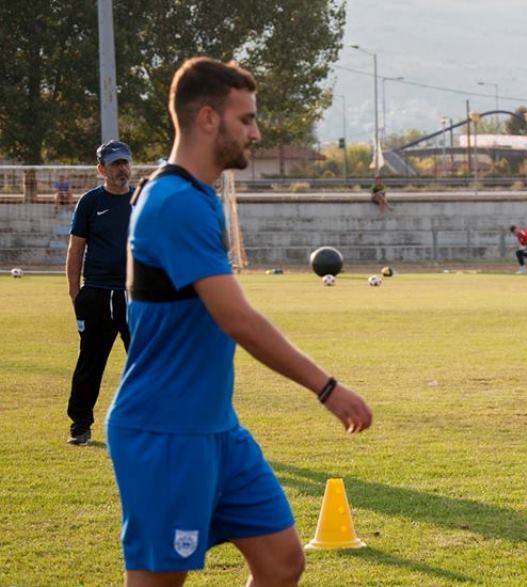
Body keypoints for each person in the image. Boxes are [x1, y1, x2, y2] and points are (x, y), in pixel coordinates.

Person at [107, 57, 372, 586]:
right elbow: (237, 320)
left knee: (281, 562)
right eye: (246, 119)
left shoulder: (198, 197)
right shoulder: (173, 202)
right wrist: (326, 388)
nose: (256, 132)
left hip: (216, 429)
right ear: (208, 119)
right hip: (165, 432)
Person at [64, 140, 134, 446]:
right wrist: (74, 292)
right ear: (101, 169)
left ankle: (157, 424)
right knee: (90, 362)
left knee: (149, 363)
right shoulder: (90, 202)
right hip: (97, 293)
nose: (122, 169)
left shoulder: (142, 201)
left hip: (136, 296)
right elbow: (76, 247)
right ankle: (80, 425)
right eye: (116, 164)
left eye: (125, 163)